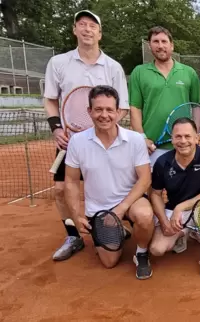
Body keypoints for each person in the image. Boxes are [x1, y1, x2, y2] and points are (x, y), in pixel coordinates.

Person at [44, 10, 130, 262]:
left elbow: (122, 106)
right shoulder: (58, 63)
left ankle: (114, 226)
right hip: (69, 142)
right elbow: (50, 100)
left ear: (100, 33)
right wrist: (57, 129)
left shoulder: (113, 67)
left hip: (104, 141)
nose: (87, 29)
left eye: (93, 26)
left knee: (108, 187)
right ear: (74, 30)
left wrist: (103, 128)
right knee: (61, 189)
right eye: (82, 24)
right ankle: (73, 235)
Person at [64, 85, 154, 280]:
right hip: (98, 208)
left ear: (118, 112)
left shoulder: (136, 139)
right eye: (98, 109)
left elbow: (145, 178)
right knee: (109, 262)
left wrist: (121, 209)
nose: (104, 115)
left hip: (130, 201)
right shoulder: (77, 142)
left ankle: (141, 252)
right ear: (89, 111)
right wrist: (76, 215)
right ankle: (120, 230)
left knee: (145, 216)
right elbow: (70, 181)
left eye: (109, 110)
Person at [149, 118, 200, 277]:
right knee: (157, 249)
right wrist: (163, 221)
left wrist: (180, 207)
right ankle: (184, 233)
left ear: (196, 138)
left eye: (188, 136)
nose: (183, 141)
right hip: (175, 213)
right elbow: (154, 194)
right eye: (178, 136)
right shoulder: (162, 162)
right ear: (172, 139)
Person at [129, 26, 200, 167]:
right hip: (152, 146)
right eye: (156, 41)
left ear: (171, 45)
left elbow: (196, 107)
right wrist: (142, 138)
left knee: (183, 188)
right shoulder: (139, 72)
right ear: (150, 46)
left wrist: (194, 135)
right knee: (150, 187)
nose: (160, 46)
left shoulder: (189, 73)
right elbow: (135, 108)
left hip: (183, 146)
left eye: (164, 41)